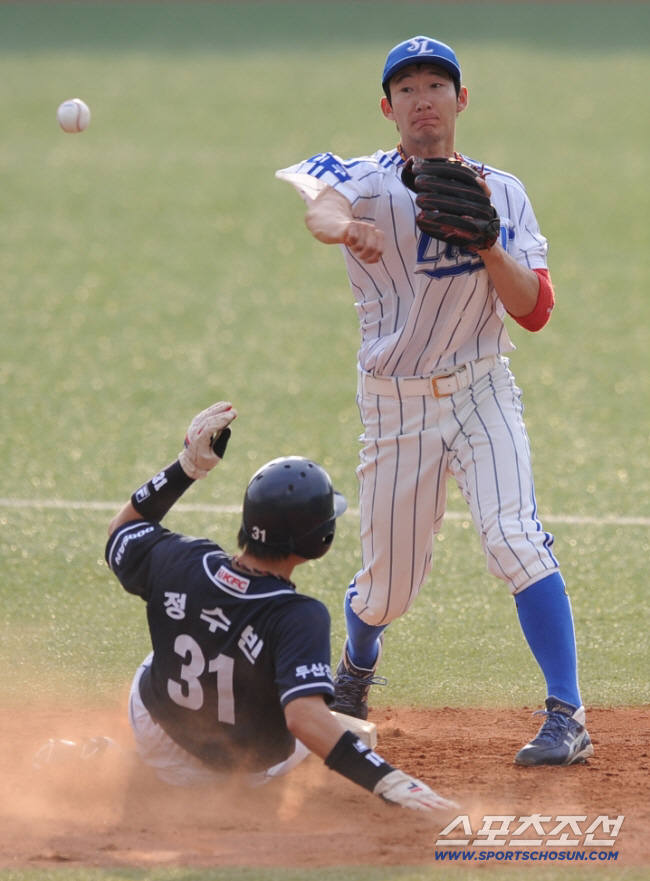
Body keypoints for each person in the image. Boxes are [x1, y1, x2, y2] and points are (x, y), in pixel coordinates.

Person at [276, 35, 593, 767]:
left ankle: (566, 712)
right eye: (408, 89)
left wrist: (488, 246)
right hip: (395, 406)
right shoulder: (365, 178)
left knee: (516, 538)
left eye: (437, 87)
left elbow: (535, 310)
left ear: (461, 100)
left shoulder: (502, 190)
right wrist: (347, 228)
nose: (424, 100)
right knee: (386, 592)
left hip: (483, 387)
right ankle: (355, 668)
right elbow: (318, 207)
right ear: (387, 109)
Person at [104, 400, 456, 810]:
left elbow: (123, 529)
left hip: (156, 733)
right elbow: (303, 719)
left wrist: (187, 466)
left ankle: (114, 762)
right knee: (308, 705)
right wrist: (390, 781)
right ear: (320, 543)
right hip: (241, 771)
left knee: (171, 649)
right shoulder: (298, 616)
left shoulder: (180, 559)